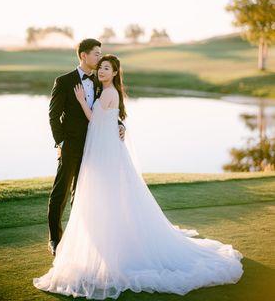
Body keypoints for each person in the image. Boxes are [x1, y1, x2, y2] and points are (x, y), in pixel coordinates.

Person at [34, 54, 243, 299]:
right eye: (99, 63)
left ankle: (108, 247)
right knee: (73, 193)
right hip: (82, 148)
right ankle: (61, 241)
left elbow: (99, 119)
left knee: (98, 196)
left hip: (103, 151)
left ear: (114, 73)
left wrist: (89, 106)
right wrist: (63, 140)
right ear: (84, 56)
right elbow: (62, 116)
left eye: (106, 66)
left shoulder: (107, 91)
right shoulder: (77, 83)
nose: (101, 68)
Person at [47, 39, 126, 256]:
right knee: (60, 193)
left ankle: (81, 239)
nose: (100, 59)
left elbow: (106, 111)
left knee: (83, 193)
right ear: (83, 55)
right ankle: (55, 240)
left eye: (101, 55)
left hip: (95, 147)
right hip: (71, 145)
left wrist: (120, 125)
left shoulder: (100, 81)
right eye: (96, 54)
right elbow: (53, 116)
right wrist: (61, 142)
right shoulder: (64, 81)